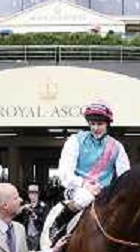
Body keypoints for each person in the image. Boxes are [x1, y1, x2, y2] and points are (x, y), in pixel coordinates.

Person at [49, 102, 131, 243]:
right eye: (92, 124)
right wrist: (85, 184)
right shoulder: (75, 140)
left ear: (107, 124)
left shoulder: (117, 147)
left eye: (99, 124)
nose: (95, 128)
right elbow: (64, 174)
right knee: (85, 197)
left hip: (104, 192)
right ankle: (59, 226)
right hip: (77, 189)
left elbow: (125, 177)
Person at [16, 184, 49, 252]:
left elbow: (46, 222)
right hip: (27, 234)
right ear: (28, 194)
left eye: (35, 192)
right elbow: (16, 217)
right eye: (31, 192)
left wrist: (36, 217)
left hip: (38, 234)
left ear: (38, 194)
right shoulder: (26, 206)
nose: (33, 195)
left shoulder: (43, 206)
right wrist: (23, 208)